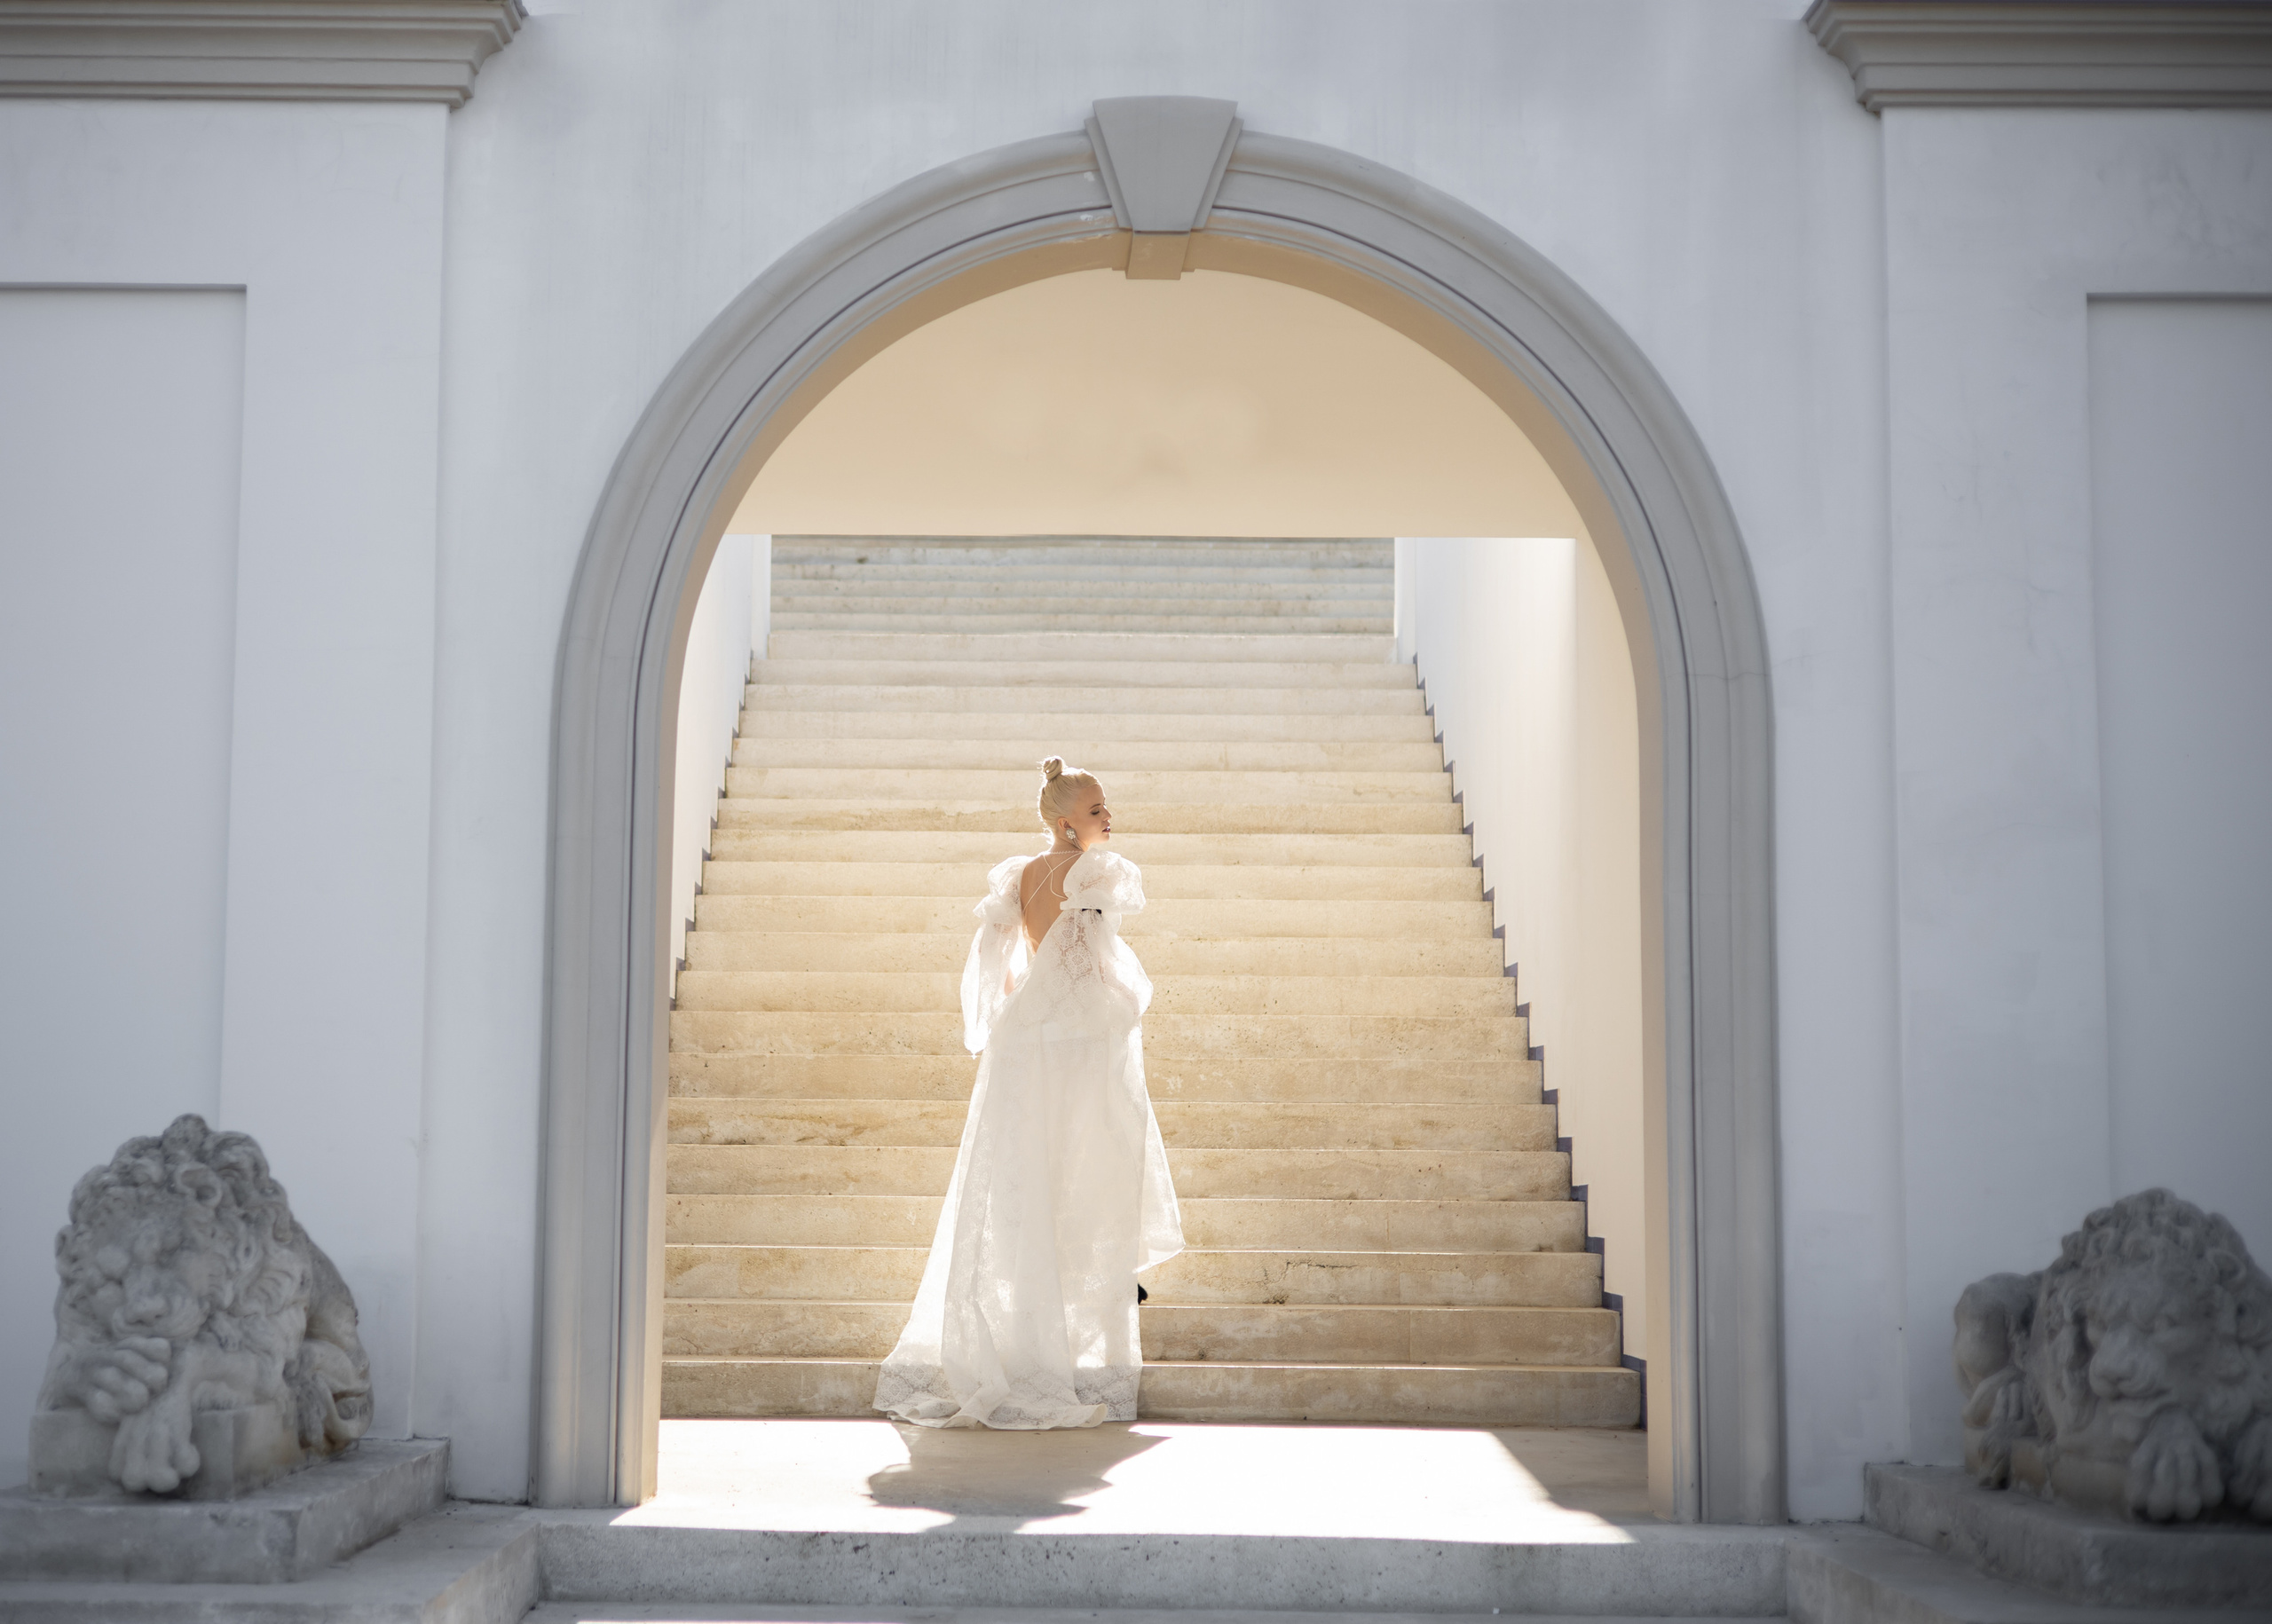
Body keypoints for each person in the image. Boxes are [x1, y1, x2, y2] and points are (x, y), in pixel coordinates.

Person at [872, 757, 1183, 1429]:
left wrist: (1004, 1010)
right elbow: (1099, 954)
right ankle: (1089, 1303)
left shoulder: (1019, 874)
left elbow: (1002, 957)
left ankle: (1044, 1323)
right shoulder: (1095, 871)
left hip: (1028, 1033)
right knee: (1093, 1155)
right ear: (1068, 822)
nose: (1110, 818)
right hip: (1078, 1031)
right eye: (1099, 810)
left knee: (1031, 1169)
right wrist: (1129, 999)